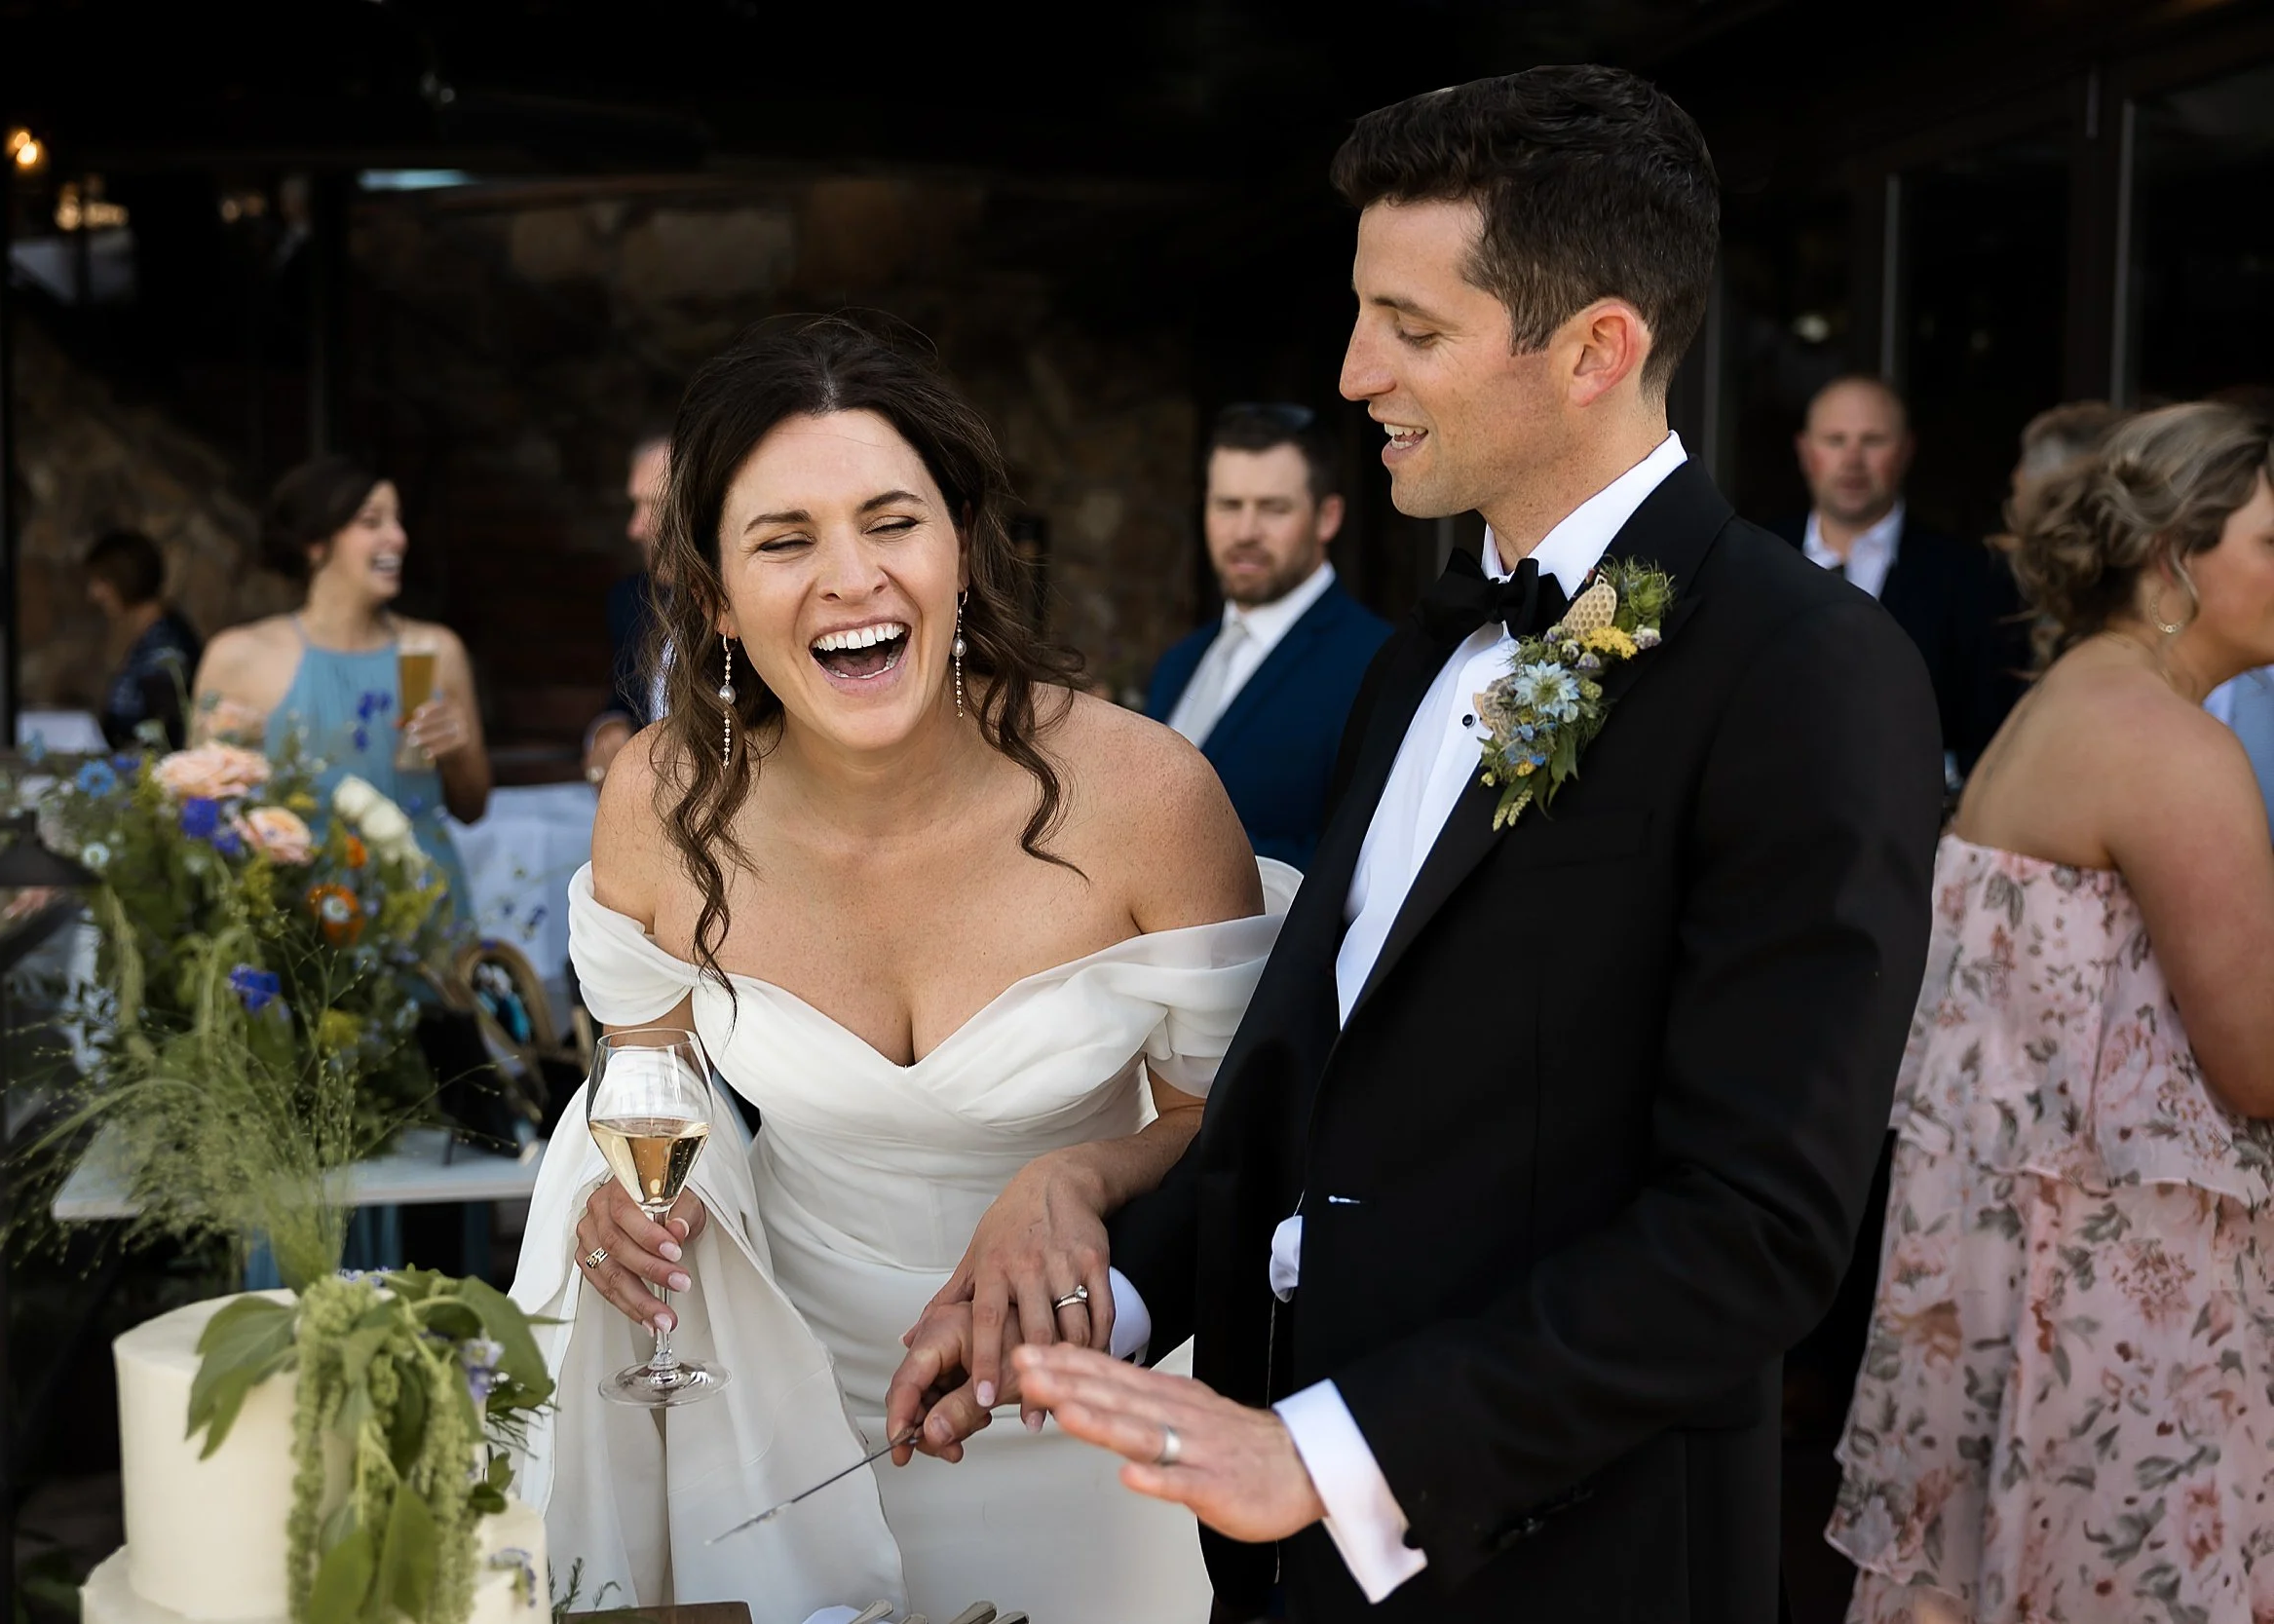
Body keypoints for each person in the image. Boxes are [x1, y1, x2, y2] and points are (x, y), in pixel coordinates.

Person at [896, 66, 1947, 1624]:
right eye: (1360, 309)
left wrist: (1335, 1450)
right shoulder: (1416, 661)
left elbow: (1755, 1230)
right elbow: (1302, 1104)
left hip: (1574, 1560)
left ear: (1598, 348)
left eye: (1414, 325)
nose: (1353, 367)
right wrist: (1091, 1304)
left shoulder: (1809, 672)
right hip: (1283, 1568)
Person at [511, 315, 1295, 1622]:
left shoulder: (1147, 796)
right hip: (784, 1425)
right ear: (711, 590)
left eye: (892, 521)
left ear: (963, 545)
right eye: (784, 538)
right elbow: (647, 1073)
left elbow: (1251, 1128)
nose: (851, 577)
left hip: (1093, 1408)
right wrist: (622, 1190)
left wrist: (1076, 1172)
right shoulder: (659, 801)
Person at [1826, 402, 2274, 1624]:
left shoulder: (2061, 698)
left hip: (2006, 1272)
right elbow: (2258, 1062)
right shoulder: (2172, 749)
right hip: (2115, 1293)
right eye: (2273, 542)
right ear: (2177, 554)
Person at [191, 456, 488, 923]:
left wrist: (458, 754)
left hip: (424, 908)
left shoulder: (435, 650)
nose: (399, 538)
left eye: (399, 521)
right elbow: (204, 811)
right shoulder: (239, 657)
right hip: (301, 908)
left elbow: (473, 807)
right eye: (372, 522)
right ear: (315, 542)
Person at [1147, 403, 1391, 868]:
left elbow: (1364, 864)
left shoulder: (1377, 663)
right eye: (1228, 505)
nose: (1245, 532)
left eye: (1273, 509)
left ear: (1327, 517)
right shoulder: (1179, 663)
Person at [1770, 376, 2023, 781]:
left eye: (1872, 441)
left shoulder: (1970, 577)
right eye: (1835, 440)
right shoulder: (1757, 556)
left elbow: (1990, 731)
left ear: (1906, 451)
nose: (1853, 460)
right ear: (1805, 450)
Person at [584, 430, 674, 785]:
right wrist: (608, 728)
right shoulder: (630, 602)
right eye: (636, 505)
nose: (635, 529)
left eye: (657, 506)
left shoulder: (751, 612)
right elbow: (623, 702)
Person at [83, 528, 202, 750]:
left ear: (125, 577)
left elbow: (165, 733)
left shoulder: (166, 645)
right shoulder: (146, 637)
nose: (93, 594)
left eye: (101, 581)